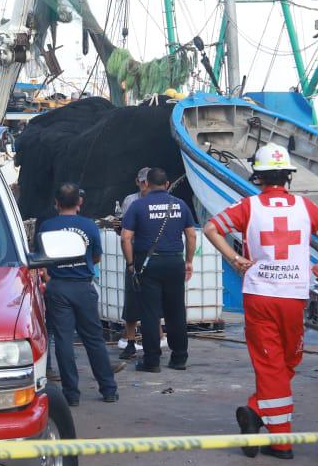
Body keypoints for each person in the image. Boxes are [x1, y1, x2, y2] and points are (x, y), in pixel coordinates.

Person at [203, 144, 318, 458]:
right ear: (288, 176)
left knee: (273, 365)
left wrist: (235, 257)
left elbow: (211, 227)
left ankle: (258, 414)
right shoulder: (306, 207)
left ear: (258, 176)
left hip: (261, 295)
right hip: (295, 295)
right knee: (286, 361)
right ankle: (279, 438)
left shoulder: (248, 206)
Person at [37, 183, 119, 406]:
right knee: (94, 339)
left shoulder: (46, 226)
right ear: (79, 202)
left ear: (56, 203)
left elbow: (42, 260)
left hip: (58, 287)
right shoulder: (89, 226)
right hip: (83, 287)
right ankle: (108, 389)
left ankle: (71, 394)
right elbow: (96, 258)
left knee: (63, 341)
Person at [120, 167, 198, 373]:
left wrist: (130, 264)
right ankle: (179, 357)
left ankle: (152, 361)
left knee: (150, 313)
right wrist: (188, 261)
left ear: (147, 184)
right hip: (174, 263)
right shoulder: (180, 205)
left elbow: (125, 237)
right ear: (167, 184)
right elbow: (191, 235)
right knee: (176, 311)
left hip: (148, 264)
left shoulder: (138, 206)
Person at [113, 167, 153, 360]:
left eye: (148, 181)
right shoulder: (130, 201)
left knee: (153, 301)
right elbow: (125, 234)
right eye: (142, 181)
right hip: (136, 255)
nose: (145, 185)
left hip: (153, 255)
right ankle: (131, 341)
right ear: (137, 182)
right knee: (131, 300)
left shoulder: (161, 200)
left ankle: (153, 340)